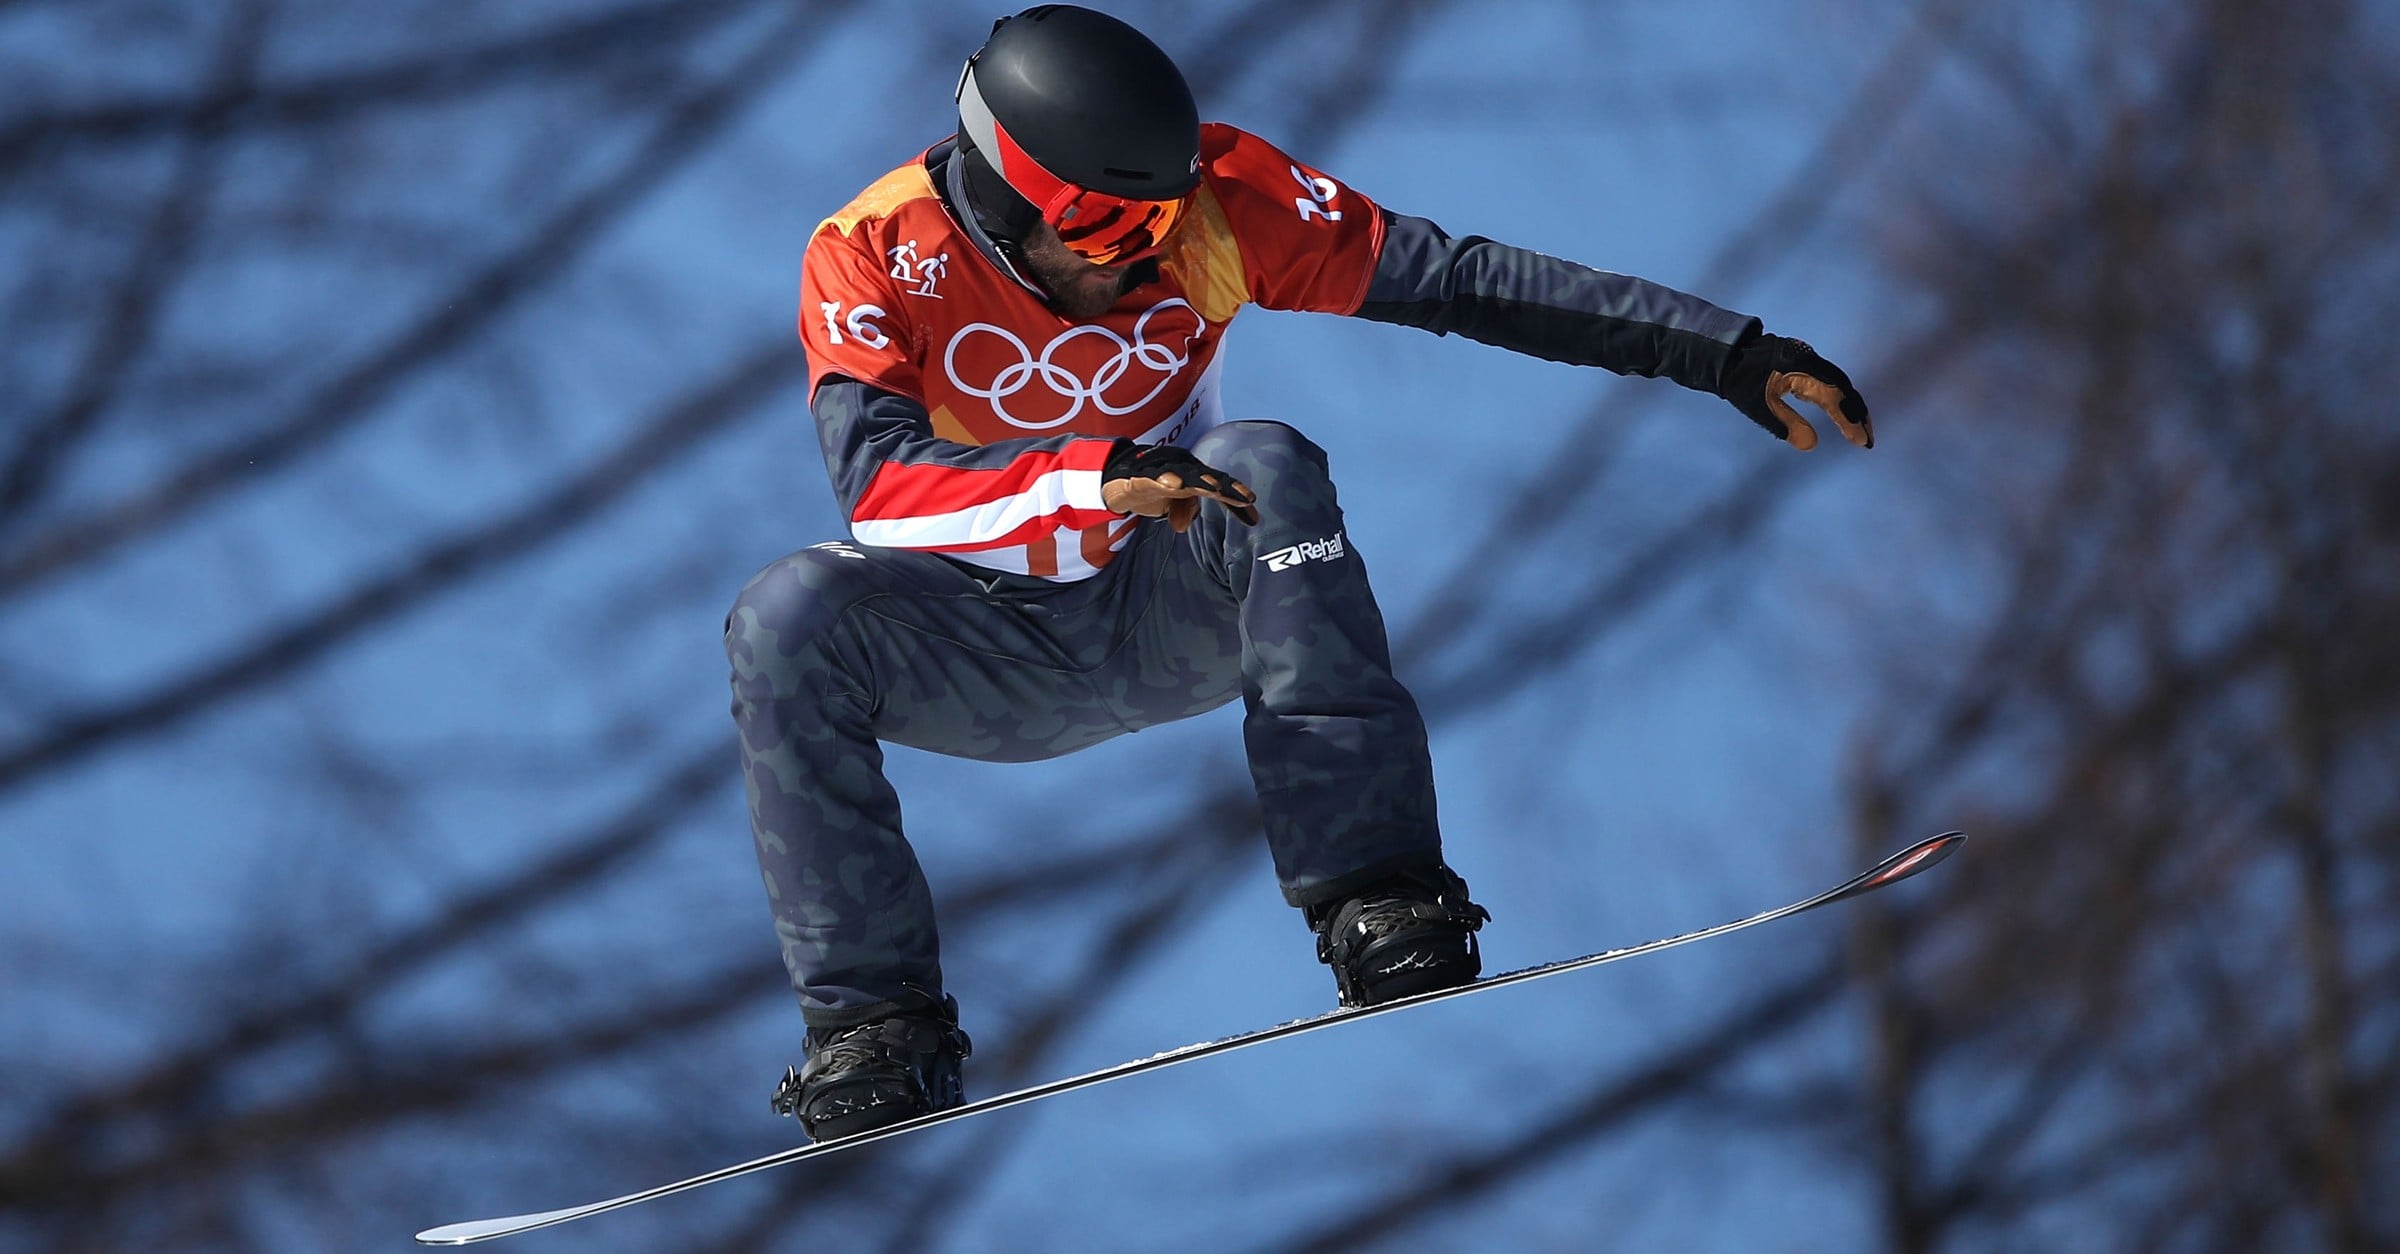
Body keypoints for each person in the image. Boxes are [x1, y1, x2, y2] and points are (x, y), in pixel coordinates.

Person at [729, 4, 1873, 1141]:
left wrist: (1718, 350)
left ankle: (1380, 893)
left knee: (1261, 463)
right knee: (786, 616)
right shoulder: (873, 250)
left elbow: (1458, 279)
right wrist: (1094, 478)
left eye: (1159, 217)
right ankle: (875, 1030)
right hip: (979, 644)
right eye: (1102, 223)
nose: (1140, 252)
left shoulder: (1222, 211)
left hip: (1175, 597)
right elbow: (879, 487)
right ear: (1001, 197)